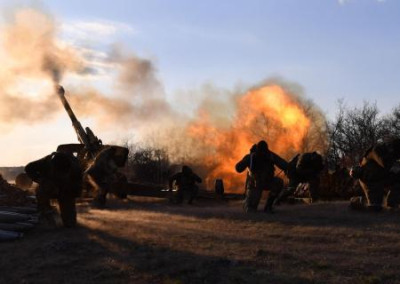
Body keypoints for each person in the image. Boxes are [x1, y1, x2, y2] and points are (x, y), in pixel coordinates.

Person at [25, 152, 82, 227]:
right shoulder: (45, 162)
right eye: (58, 173)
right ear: (52, 168)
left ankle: (67, 217)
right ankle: (46, 213)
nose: (60, 176)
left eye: (63, 174)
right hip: (49, 185)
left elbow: (77, 188)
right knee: (41, 190)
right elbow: (28, 168)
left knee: (70, 224)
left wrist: (68, 199)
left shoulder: (76, 168)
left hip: (67, 188)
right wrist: (41, 180)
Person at [235, 140, 288, 213]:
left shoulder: (270, 155)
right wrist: (247, 160)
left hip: (267, 181)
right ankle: (247, 203)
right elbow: (238, 168)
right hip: (255, 184)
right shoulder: (251, 157)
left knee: (278, 182)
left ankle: (269, 205)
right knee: (251, 209)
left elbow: (284, 165)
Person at [350, 137, 400, 212]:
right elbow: (385, 163)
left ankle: (392, 202)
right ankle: (355, 201)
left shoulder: (391, 154)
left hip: (381, 178)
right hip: (370, 182)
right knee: (374, 208)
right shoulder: (376, 150)